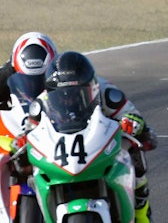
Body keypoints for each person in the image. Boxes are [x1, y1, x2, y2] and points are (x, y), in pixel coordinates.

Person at [17, 51, 157, 223]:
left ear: (92, 88)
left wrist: (131, 122)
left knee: (134, 154)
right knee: (31, 174)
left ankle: (142, 215)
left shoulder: (107, 93)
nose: (68, 100)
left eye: (76, 93)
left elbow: (135, 117)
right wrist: (22, 142)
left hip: (100, 145)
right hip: (63, 155)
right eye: (61, 96)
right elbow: (28, 132)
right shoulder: (41, 103)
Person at [0, 32, 57, 221]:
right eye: (28, 80)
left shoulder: (63, 77)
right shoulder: (4, 76)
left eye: (40, 80)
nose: (33, 85)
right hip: (11, 136)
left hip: (51, 135)